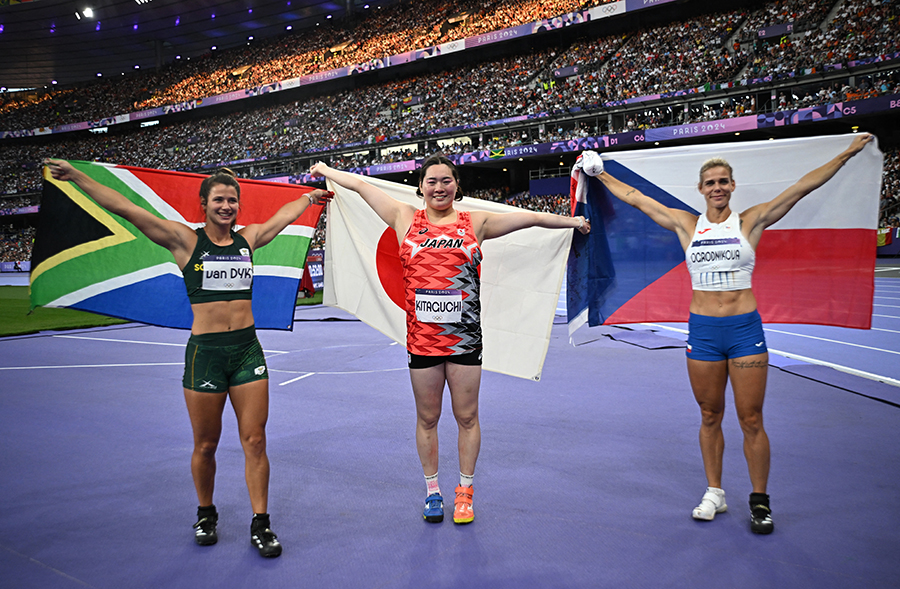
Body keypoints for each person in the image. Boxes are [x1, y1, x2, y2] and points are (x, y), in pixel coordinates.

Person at [44, 159, 331, 556]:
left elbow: (282, 216)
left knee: (255, 440)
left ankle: (261, 523)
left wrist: (309, 197)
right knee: (206, 445)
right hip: (206, 356)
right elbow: (127, 208)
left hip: (247, 350)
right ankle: (206, 512)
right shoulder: (185, 241)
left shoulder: (249, 239)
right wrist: (77, 178)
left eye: (232, 200)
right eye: (219, 200)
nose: (226, 206)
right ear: (204, 204)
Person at [592, 134, 874, 534]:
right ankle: (715, 492)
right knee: (710, 415)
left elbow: (802, 187)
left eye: (724, 181)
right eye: (711, 182)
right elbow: (637, 197)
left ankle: (760, 501)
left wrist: (846, 154)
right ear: (701, 189)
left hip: (744, 331)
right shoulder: (687, 224)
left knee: (751, 418)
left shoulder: (750, 221)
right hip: (703, 332)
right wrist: (599, 173)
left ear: (733, 186)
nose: (718, 187)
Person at [310, 155, 590, 524]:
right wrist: (326, 171)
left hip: (464, 343)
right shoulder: (403, 217)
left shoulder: (476, 222)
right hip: (422, 344)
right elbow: (363, 186)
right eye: (432, 181)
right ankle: (432, 492)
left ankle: (464, 493)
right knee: (427, 419)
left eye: (446, 181)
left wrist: (573, 222)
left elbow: (532, 219)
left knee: (467, 417)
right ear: (421, 187)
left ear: (457, 185)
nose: (439, 188)